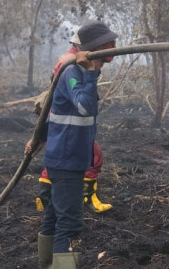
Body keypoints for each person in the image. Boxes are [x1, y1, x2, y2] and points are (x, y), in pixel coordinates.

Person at [26, 20, 118, 269]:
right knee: (70, 220)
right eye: (109, 45)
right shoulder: (73, 72)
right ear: (94, 49)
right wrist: (89, 72)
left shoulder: (75, 69)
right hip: (66, 160)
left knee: (54, 215)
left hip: (66, 156)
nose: (114, 49)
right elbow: (84, 108)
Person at [36, 30, 113, 215]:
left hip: (60, 122)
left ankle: (46, 197)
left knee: (57, 163)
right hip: (68, 125)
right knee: (94, 157)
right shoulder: (70, 63)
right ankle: (88, 197)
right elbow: (82, 104)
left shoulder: (74, 60)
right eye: (110, 43)